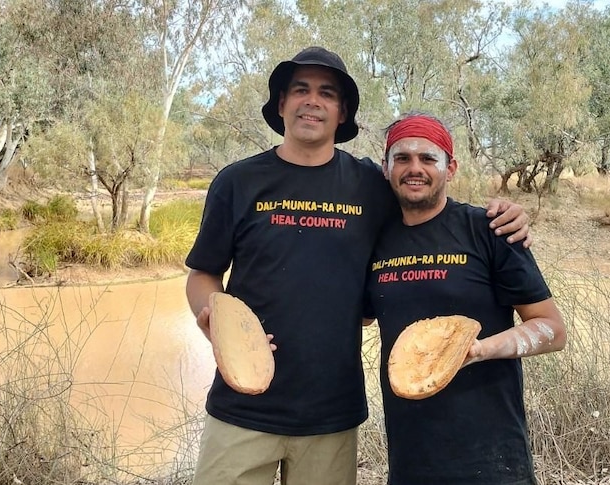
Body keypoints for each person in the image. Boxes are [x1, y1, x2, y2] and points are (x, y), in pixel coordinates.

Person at [184, 47, 531, 485]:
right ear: (281, 104)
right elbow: (203, 276)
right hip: (242, 402)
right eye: (300, 90)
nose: (312, 101)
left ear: (342, 110)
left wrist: (503, 215)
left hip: (331, 415)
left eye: (326, 93)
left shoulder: (371, 184)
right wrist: (214, 322)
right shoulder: (238, 181)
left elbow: (428, 201)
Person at [365, 113, 566, 485]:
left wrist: (474, 351)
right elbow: (355, 316)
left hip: (492, 456)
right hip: (411, 454)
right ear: (386, 167)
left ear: (450, 167)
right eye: (402, 158)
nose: (415, 168)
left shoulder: (489, 228)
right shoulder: (375, 240)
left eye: (428, 158)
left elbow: (552, 330)